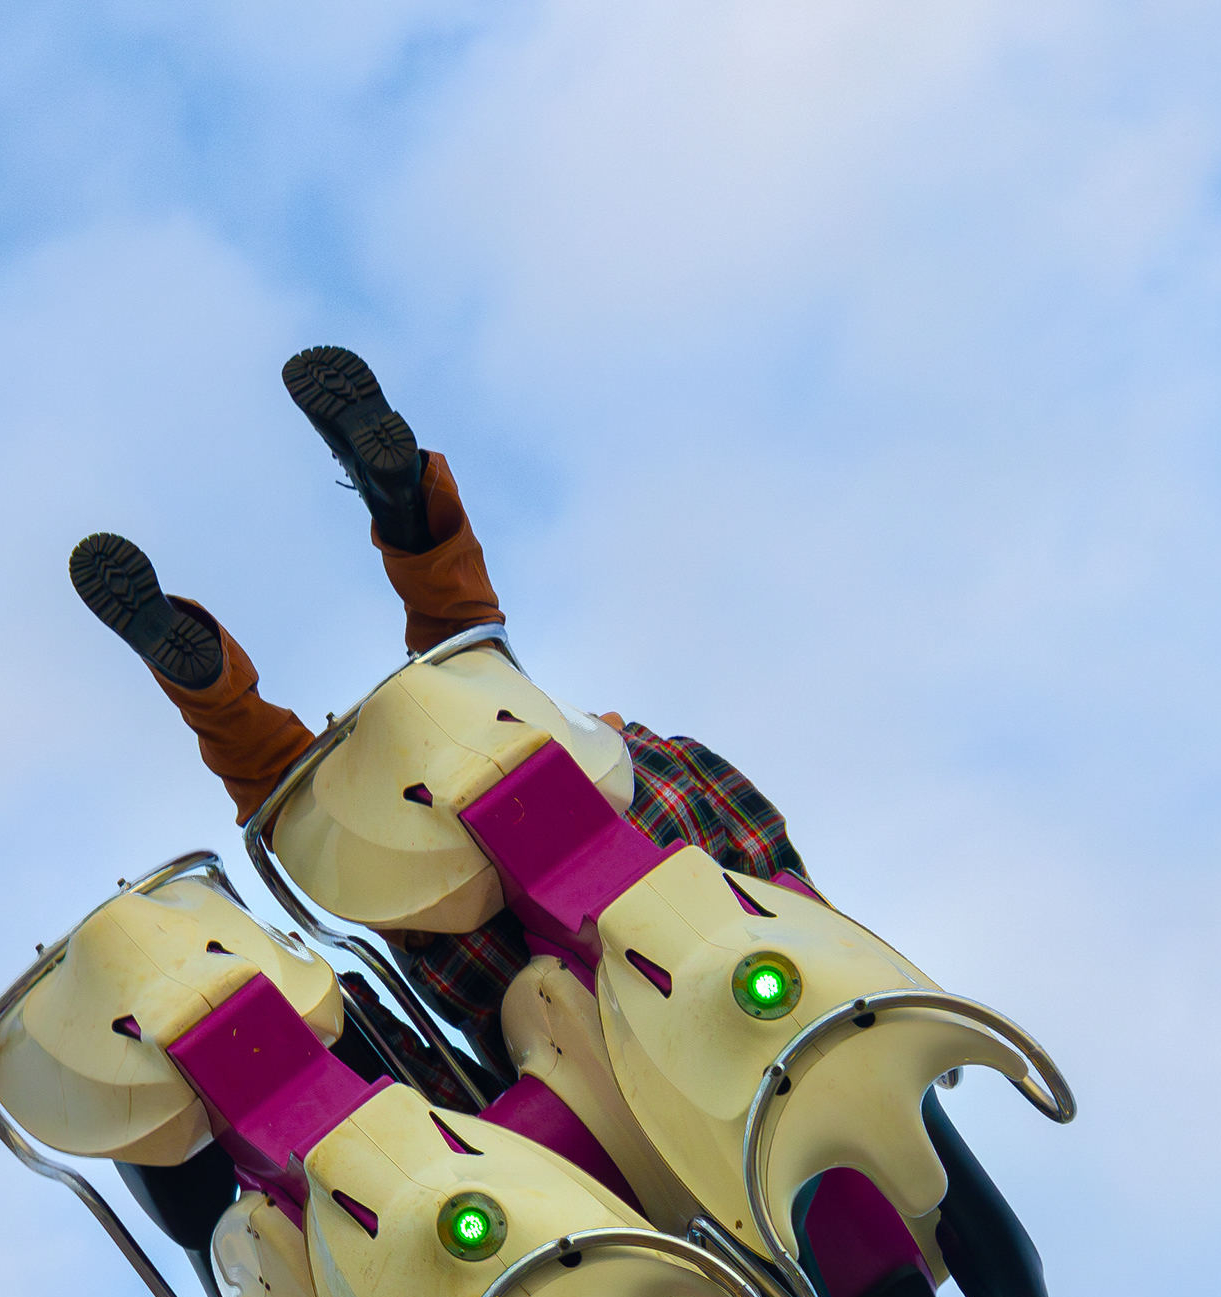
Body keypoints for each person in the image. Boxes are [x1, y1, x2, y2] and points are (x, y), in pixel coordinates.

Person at [68, 348, 803, 1053]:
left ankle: (403, 506)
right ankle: (230, 677)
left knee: (465, 684)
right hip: (579, 889)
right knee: (312, 809)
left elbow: (775, 867)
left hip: (574, 899)